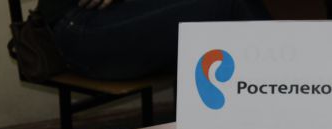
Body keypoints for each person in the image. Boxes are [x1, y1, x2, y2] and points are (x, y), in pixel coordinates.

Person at [37, 0, 270, 80]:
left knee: (215, 22)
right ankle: (281, 97)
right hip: (79, 26)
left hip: (123, 17)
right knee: (228, 5)